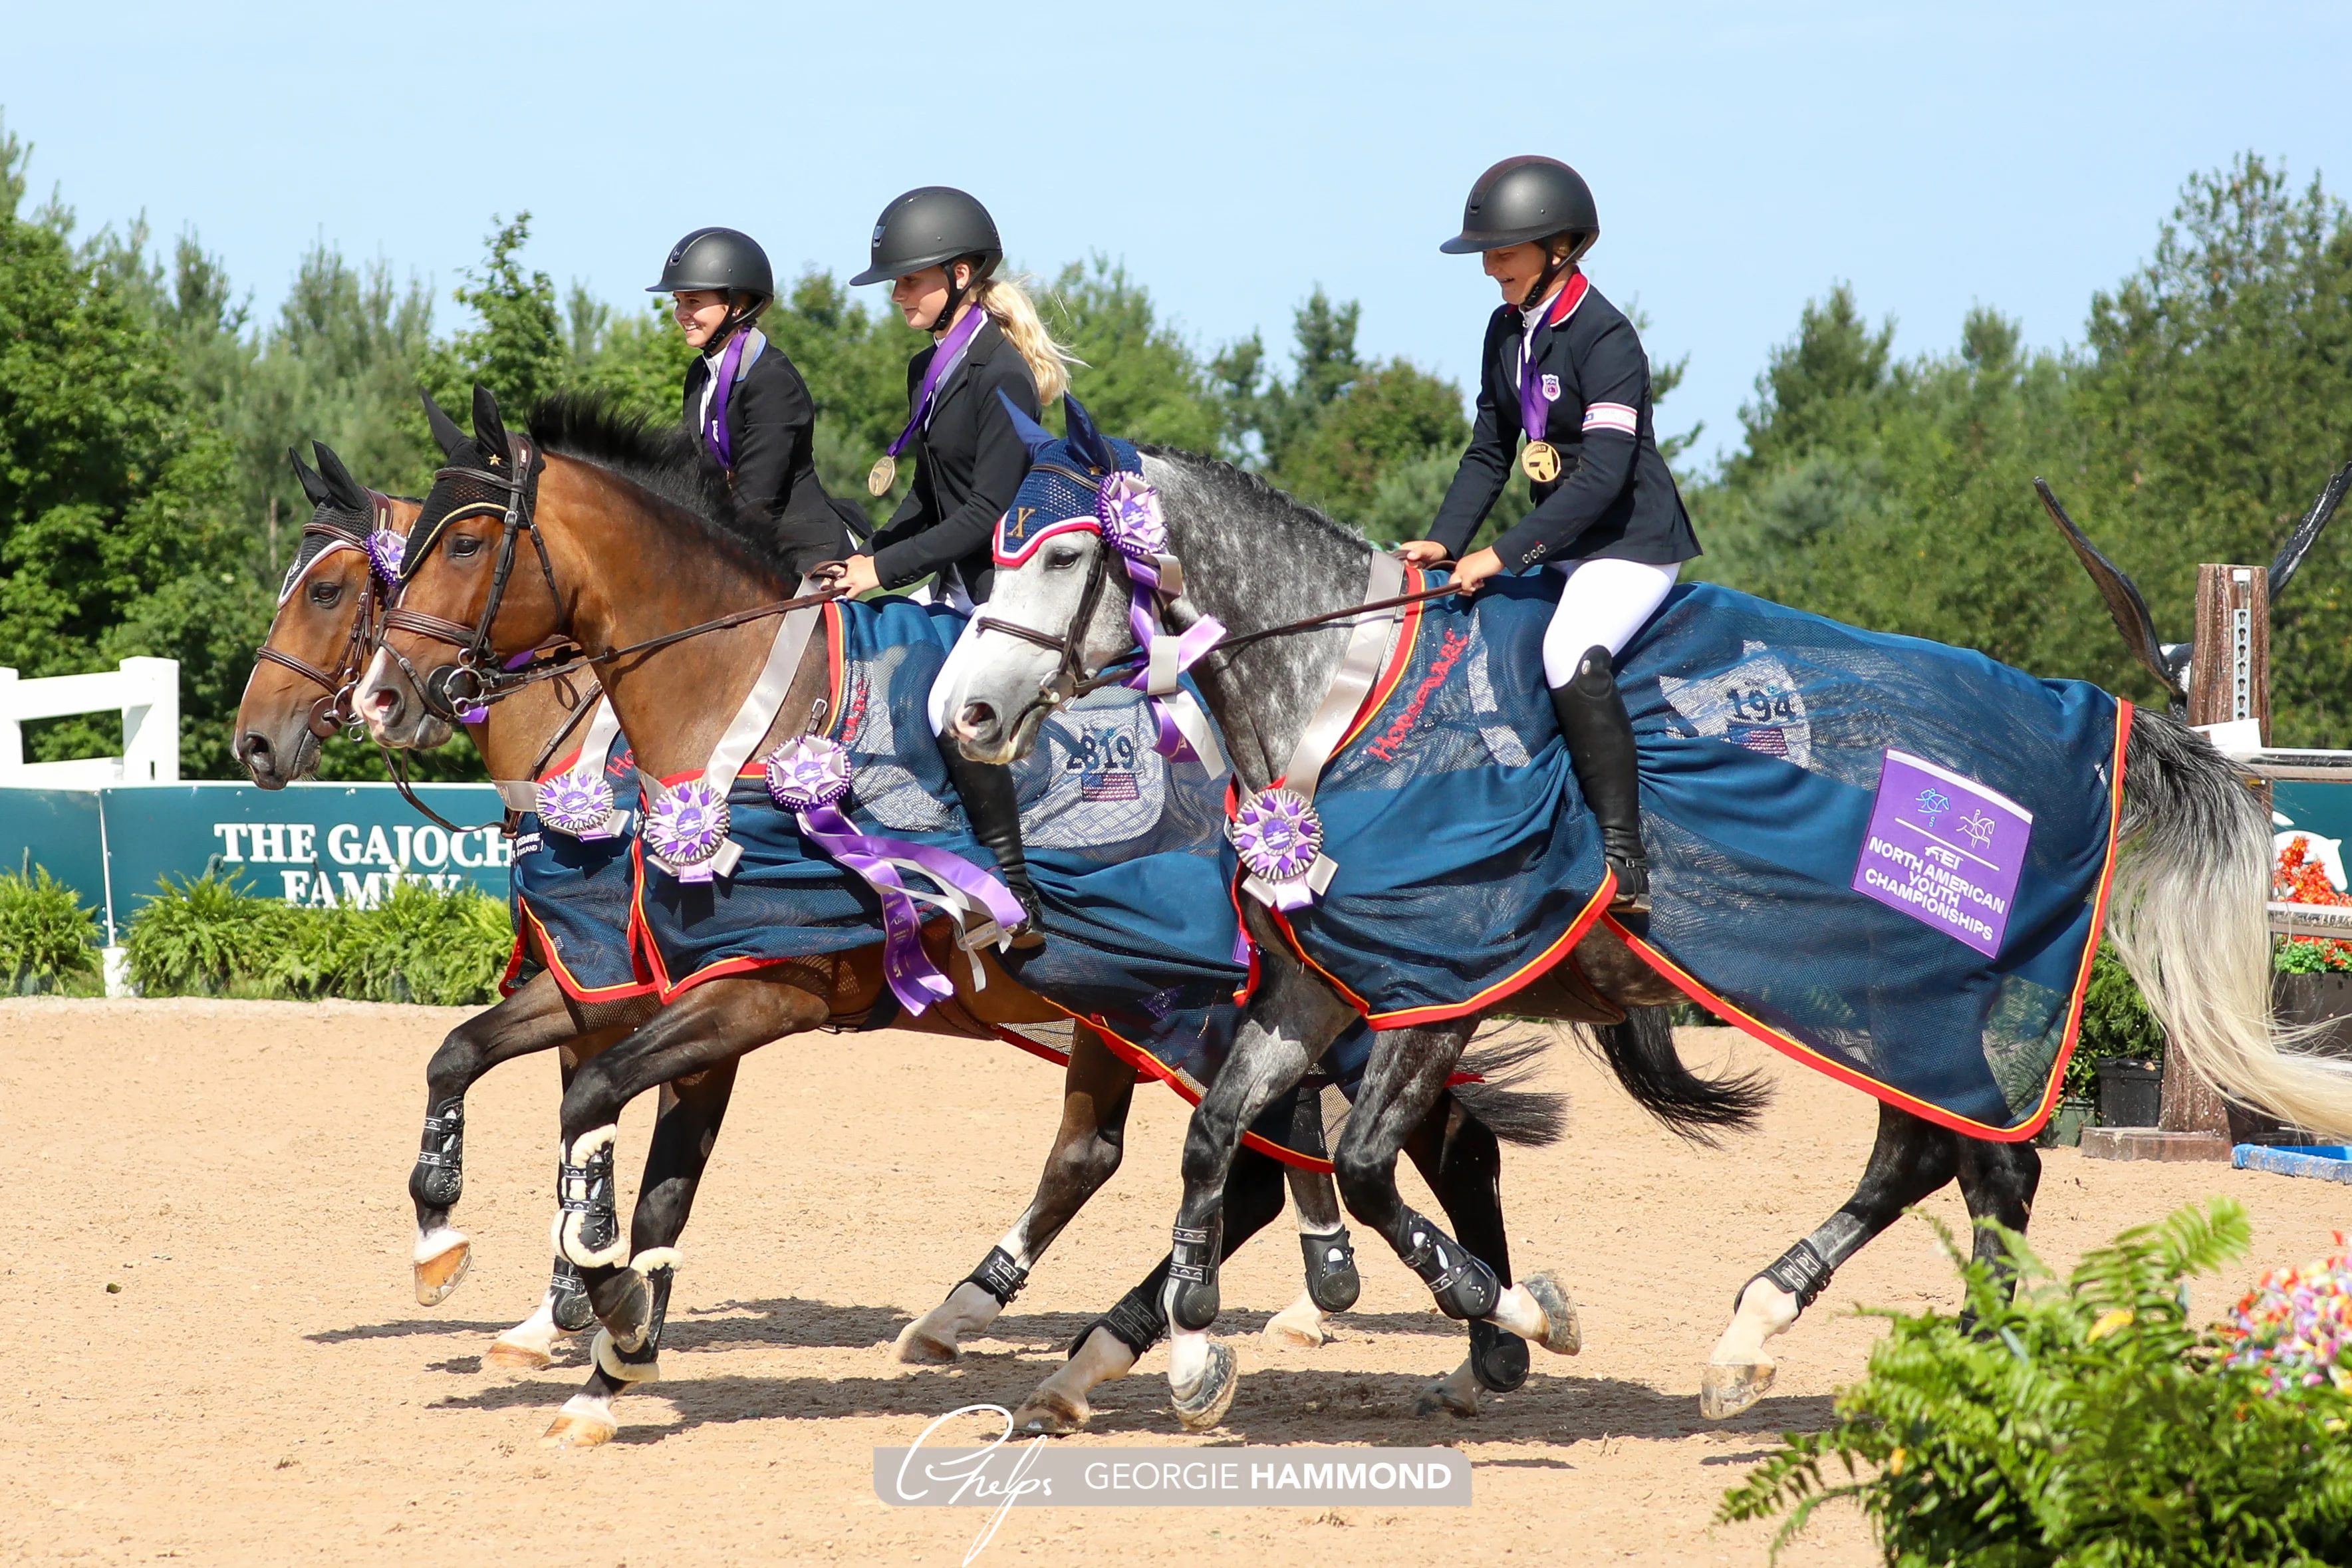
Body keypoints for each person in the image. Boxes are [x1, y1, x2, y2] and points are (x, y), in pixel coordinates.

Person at [1399, 156, 1700, 914]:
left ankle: (1625, 857)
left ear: (1558, 248)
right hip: (1561, 546)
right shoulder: (1507, 331)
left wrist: (1502, 554)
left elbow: (1602, 478)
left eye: (1502, 251)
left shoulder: (1607, 339)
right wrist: (1445, 540)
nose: (1490, 268)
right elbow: (1491, 449)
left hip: (1628, 546)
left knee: (1568, 651)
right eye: (1488, 254)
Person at [827, 186, 1071, 939]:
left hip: (1016, 590)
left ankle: (1014, 888)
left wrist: (887, 571)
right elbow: (932, 498)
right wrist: (868, 556)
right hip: (958, 581)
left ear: (960, 274)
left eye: (909, 280)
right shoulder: (929, 368)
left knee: (948, 709)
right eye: (896, 283)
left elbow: (983, 514)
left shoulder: (1002, 374)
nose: (898, 295)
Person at [650, 226, 855, 578]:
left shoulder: (772, 381)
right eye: (679, 302)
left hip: (805, 557)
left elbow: (757, 498)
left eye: (694, 302)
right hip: (744, 547)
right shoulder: (699, 377)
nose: (681, 314)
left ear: (738, 305)